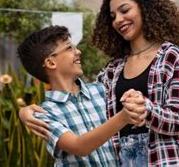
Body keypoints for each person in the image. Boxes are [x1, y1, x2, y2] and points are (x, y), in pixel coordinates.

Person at [20, 0, 179, 166]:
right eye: (112, 16)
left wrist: (174, 145)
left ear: (145, 7)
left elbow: (174, 121)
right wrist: (24, 112)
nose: (118, 20)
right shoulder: (110, 72)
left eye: (124, 10)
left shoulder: (169, 56)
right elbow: (104, 138)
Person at [17, 25, 139, 166]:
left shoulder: (103, 90)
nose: (78, 52)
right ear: (50, 62)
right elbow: (79, 146)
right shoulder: (44, 114)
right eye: (69, 48)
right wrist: (123, 117)